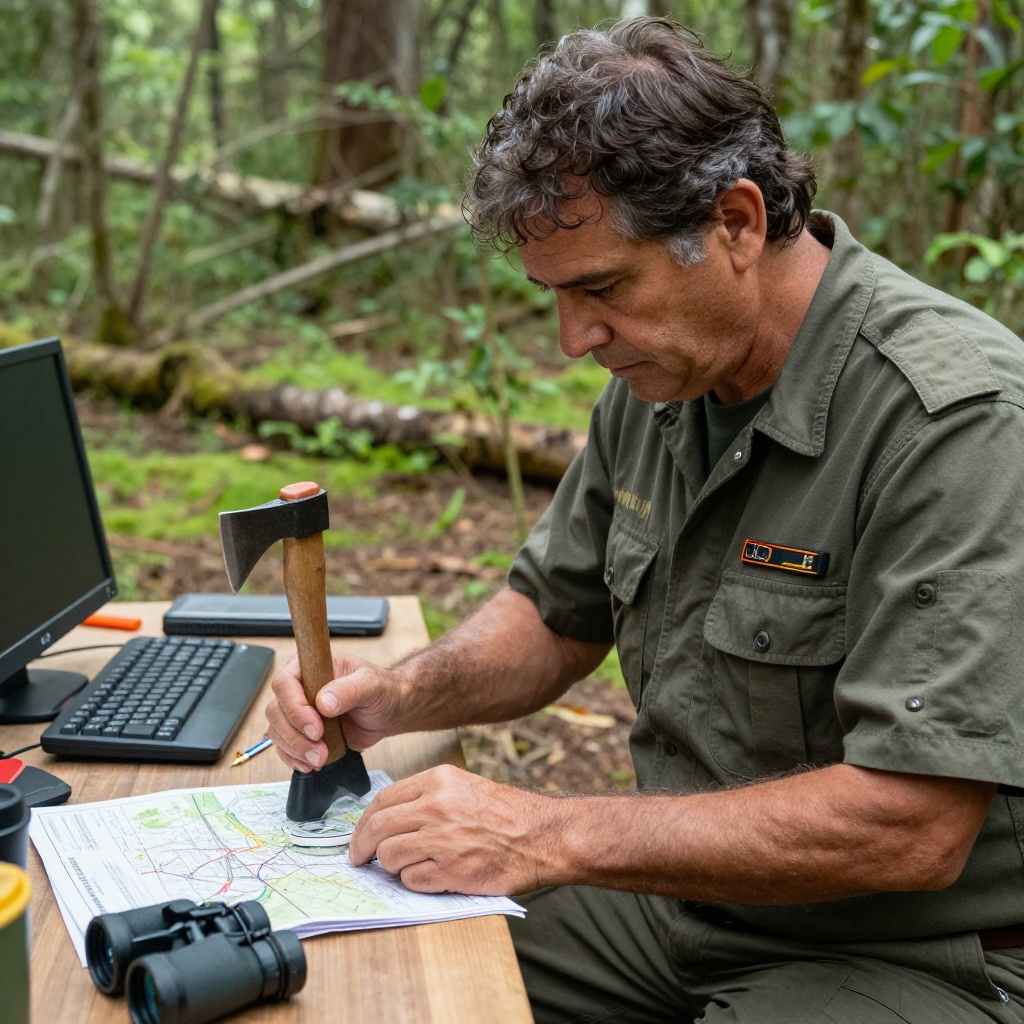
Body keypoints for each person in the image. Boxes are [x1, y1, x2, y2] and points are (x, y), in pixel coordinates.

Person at [266, 17, 1024, 1023]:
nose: (575, 338)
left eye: (602, 287)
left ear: (736, 224)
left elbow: (911, 825)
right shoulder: (666, 376)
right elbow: (555, 615)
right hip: (682, 900)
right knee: (367, 971)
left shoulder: (952, 422)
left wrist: (546, 834)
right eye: (552, 295)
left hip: (914, 951)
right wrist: (402, 693)